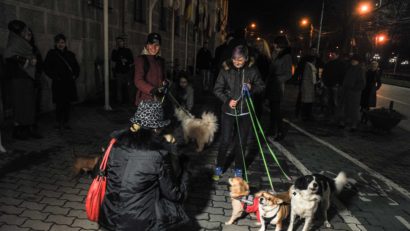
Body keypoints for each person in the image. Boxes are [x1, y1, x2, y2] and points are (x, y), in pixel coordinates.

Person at [99, 100, 190, 231]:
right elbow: (174, 194)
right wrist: (182, 166)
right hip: (138, 223)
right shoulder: (157, 155)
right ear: (155, 128)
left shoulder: (115, 144)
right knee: (171, 201)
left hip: (109, 216)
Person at [213, 45, 265, 180]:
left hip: (245, 112)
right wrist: (227, 100)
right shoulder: (226, 70)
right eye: (235, 59)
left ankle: (238, 169)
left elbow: (261, 86)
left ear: (246, 59)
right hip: (228, 112)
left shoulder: (252, 70)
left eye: (240, 60)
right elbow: (217, 89)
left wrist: (251, 87)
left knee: (241, 142)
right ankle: (219, 166)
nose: (237, 62)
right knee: (225, 140)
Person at [4, 20, 41, 139]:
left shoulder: (27, 45)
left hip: (28, 78)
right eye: (24, 31)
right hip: (18, 78)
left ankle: (28, 128)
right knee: (19, 105)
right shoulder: (14, 44)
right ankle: (18, 130)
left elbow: (35, 57)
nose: (27, 33)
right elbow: (9, 57)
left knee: (29, 105)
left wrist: (33, 62)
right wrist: (26, 61)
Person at [44, 33, 80, 130]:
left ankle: (66, 121)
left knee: (67, 103)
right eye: (59, 42)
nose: (61, 44)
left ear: (65, 43)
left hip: (68, 83)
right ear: (55, 43)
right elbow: (46, 68)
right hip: (58, 83)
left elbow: (76, 67)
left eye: (62, 42)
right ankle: (59, 121)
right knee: (59, 103)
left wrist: (74, 76)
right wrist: (54, 77)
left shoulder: (70, 54)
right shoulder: (52, 54)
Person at [265, 36, 292, 140]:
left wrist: (278, 79)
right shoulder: (276, 54)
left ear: (281, 44)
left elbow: (289, 74)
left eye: (276, 43)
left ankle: (280, 131)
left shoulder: (286, 56)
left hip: (278, 86)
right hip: (271, 84)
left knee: (276, 110)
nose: (274, 45)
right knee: (272, 109)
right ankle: (272, 130)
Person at [134, 33, 168, 106]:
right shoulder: (141, 59)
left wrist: (165, 83)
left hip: (159, 100)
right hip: (145, 100)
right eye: (151, 44)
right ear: (146, 45)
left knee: (159, 117)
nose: (153, 47)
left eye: (157, 45)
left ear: (159, 47)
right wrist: (152, 90)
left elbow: (163, 78)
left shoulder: (161, 61)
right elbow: (138, 80)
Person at [341, 54, 366, 131]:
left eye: (354, 60)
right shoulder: (350, 68)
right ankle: (345, 121)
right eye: (352, 60)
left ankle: (354, 124)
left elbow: (362, 83)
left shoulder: (360, 70)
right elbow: (346, 79)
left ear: (357, 61)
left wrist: (354, 88)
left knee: (354, 109)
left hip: (355, 93)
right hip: (347, 91)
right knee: (346, 107)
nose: (352, 61)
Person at [322, 51, 348, 116]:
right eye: (331, 55)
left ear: (337, 55)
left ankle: (335, 115)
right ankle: (329, 114)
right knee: (328, 101)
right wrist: (324, 82)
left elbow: (343, 75)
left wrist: (339, 83)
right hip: (328, 84)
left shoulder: (341, 64)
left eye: (333, 55)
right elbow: (324, 73)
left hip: (336, 85)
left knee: (335, 101)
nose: (332, 56)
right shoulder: (328, 64)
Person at [111, 36, 134, 104]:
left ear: (123, 42)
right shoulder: (115, 51)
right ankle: (119, 101)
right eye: (118, 42)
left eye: (120, 41)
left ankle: (130, 100)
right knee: (119, 87)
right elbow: (113, 58)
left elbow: (132, 60)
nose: (119, 43)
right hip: (119, 71)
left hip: (127, 71)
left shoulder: (127, 50)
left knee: (129, 87)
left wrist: (126, 61)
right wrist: (119, 58)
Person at [300, 55, 317, 121]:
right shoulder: (311, 66)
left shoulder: (306, 65)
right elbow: (313, 79)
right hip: (309, 87)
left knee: (304, 101)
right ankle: (307, 115)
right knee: (308, 102)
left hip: (305, 86)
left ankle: (303, 115)